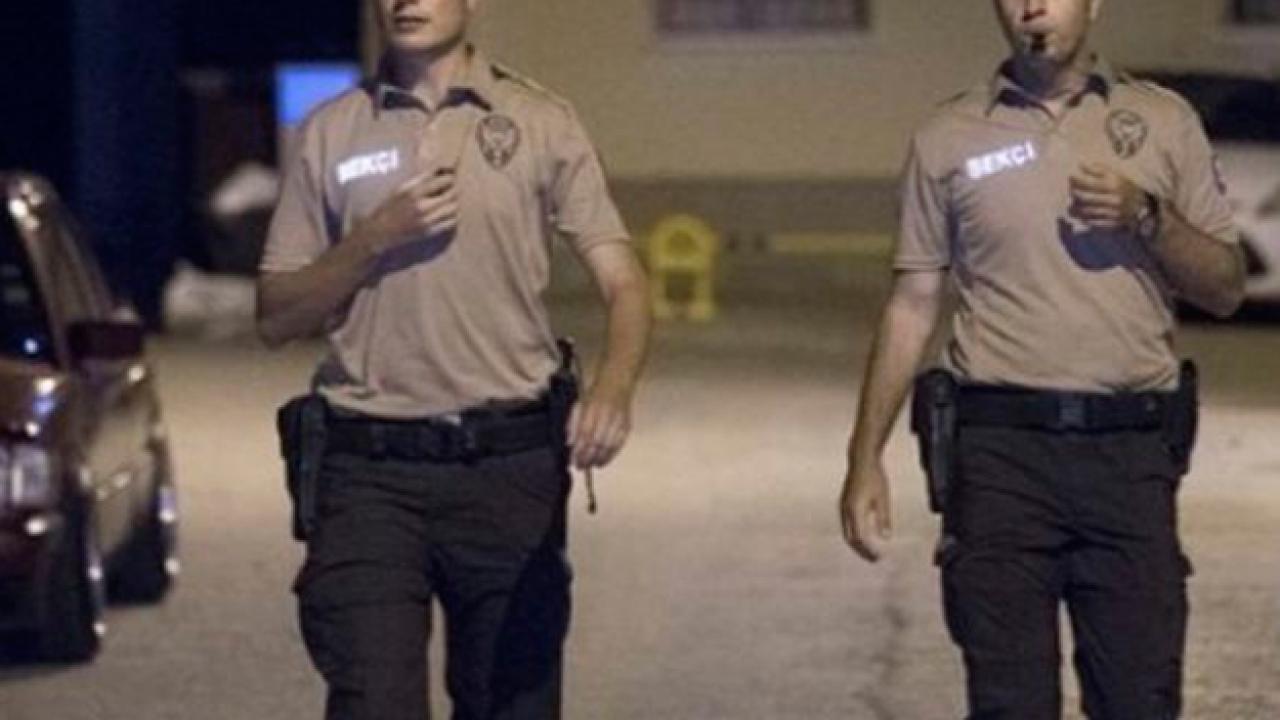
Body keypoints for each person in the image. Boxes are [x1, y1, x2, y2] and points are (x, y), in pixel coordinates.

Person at [838, 0, 1244, 717]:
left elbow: (1225, 288)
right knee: (1009, 701)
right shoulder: (949, 137)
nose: (1032, 6)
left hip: (1128, 455)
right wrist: (863, 456)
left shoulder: (1162, 121)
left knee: (1139, 697)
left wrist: (1148, 217)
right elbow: (912, 304)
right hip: (1000, 459)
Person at [256, 0, 650, 717]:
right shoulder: (329, 131)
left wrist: (614, 388)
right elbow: (277, 314)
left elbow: (624, 282)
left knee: (512, 701)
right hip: (368, 473)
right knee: (372, 701)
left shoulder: (540, 121)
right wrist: (374, 238)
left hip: (508, 469)